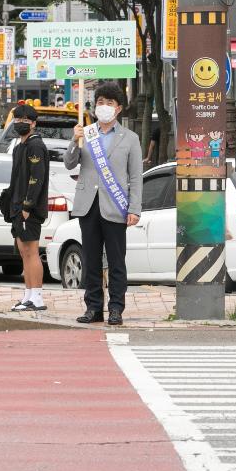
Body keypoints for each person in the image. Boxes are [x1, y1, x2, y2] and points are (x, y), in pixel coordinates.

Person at [66, 83, 143, 326]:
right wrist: (73, 140)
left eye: (109, 103)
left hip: (116, 207)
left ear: (118, 108)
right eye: (100, 102)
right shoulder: (85, 134)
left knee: (116, 261)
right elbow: (69, 163)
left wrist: (134, 208)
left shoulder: (130, 138)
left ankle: (116, 308)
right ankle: (93, 308)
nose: (104, 107)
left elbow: (135, 177)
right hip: (88, 205)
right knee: (90, 260)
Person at [7, 103, 50, 313]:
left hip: (28, 209)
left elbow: (37, 178)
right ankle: (28, 294)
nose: (20, 124)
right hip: (16, 207)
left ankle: (38, 297)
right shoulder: (19, 147)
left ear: (33, 123)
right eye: (17, 120)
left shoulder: (35, 146)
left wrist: (27, 205)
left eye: (25, 120)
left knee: (32, 251)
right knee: (24, 252)